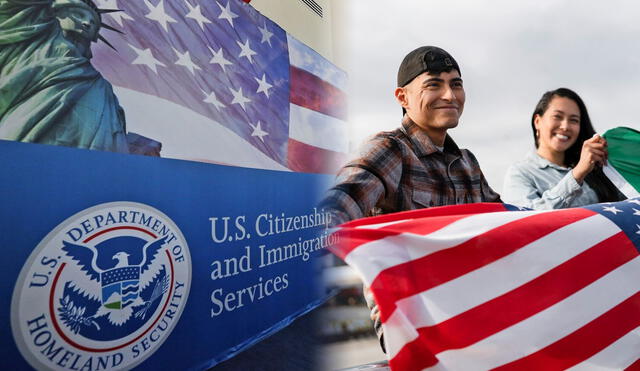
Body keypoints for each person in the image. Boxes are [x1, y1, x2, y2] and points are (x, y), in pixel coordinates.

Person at [321, 46, 501, 352]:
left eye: (456, 84)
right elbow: (334, 210)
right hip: (416, 327)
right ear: (402, 98)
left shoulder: (468, 163)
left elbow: (509, 225)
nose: (449, 95)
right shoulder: (391, 150)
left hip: (474, 316)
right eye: (434, 84)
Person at [0, 0, 130, 153]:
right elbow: (12, 6)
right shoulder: (37, 41)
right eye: (79, 14)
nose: (87, 23)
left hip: (84, 164)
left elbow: (115, 138)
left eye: (93, 23)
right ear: (56, 13)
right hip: (20, 141)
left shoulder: (102, 87)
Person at [503, 88, 624, 209]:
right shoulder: (520, 173)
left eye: (574, 120)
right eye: (557, 116)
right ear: (537, 121)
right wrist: (577, 174)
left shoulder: (595, 167)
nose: (565, 126)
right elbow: (525, 218)